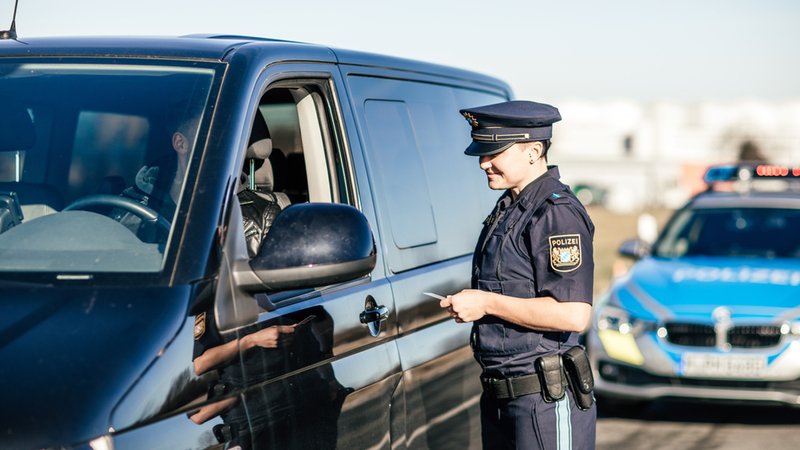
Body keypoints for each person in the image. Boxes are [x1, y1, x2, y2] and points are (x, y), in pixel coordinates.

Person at [439, 100, 597, 449]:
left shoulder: (556, 214)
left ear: (533, 151)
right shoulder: (511, 207)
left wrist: (486, 303)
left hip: (542, 401)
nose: (484, 162)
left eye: (494, 151)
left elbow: (574, 313)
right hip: (502, 396)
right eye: (482, 152)